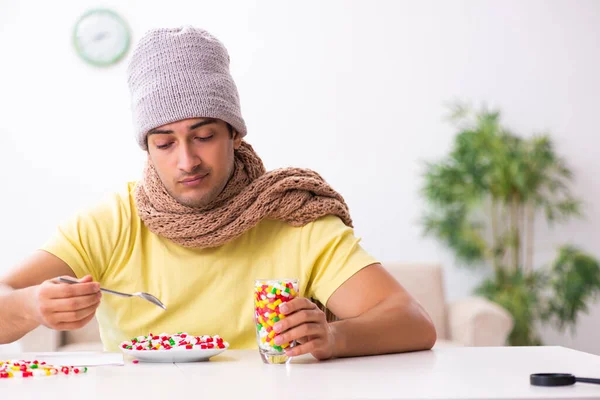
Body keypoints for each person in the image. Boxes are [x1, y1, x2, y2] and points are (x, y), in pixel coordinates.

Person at [0, 26, 436, 360]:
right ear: (147, 148)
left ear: (233, 133)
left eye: (203, 135)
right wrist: (30, 306)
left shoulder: (293, 215)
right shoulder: (113, 221)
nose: (186, 160)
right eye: (165, 143)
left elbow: (413, 322)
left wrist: (334, 336)